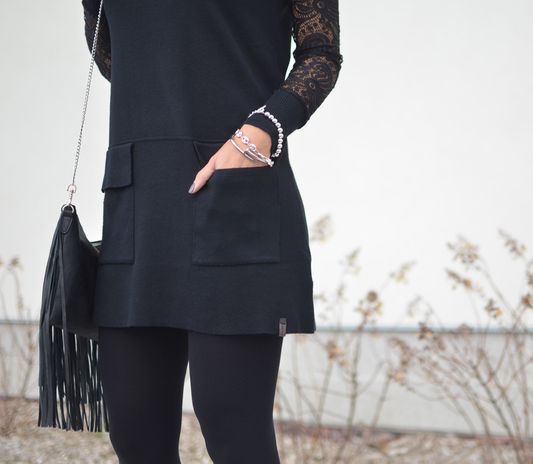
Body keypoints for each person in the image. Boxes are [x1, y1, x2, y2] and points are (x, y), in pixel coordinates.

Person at [80, 0, 341, 462]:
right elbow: (114, 58)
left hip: (236, 197)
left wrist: (263, 129)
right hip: (138, 203)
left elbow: (321, 52)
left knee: (233, 428)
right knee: (135, 432)